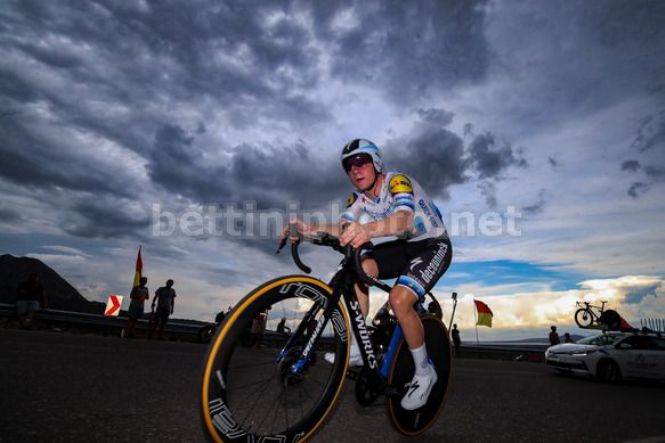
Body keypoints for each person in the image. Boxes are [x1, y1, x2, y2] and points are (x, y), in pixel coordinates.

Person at [281, 138, 452, 411]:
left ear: (377, 163)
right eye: (349, 166)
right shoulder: (358, 199)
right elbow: (341, 228)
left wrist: (368, 230)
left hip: (433, 246)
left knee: (399, 300)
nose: (355, 170)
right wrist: (305, 228)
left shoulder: (397, 183)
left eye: (361, 162)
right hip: (405, 247)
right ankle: (360, 348)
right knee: (357, 265)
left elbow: (402, 221)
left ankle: (424, 372)